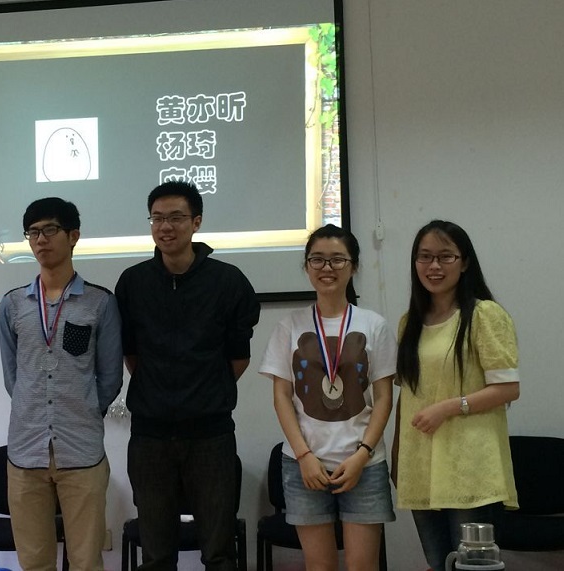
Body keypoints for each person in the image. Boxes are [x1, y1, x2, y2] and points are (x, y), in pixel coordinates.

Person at [114, 180, 260, 571]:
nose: (166, 227)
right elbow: (132, 354)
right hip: (150, 437)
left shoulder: (227, 281)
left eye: (176, 217)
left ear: (196, 222)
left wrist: (203, 391)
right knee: (156, 554)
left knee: (218, 553)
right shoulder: (133, 282)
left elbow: (238, 358)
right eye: (157, 218)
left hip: (210, 435)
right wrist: (162, 391)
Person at [259, 224, 395, 571]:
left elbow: (383, 398)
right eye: (317, 259)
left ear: (354, 266)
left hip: (364, 463)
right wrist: (304, 456)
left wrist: (363, 455)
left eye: (337, 259)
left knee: (362, 567)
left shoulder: (374, 325)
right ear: (307, 267)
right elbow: (281, 396)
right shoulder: (289, 326)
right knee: (319, 567)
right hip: (304, 464)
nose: (327, 268)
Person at [0, 197, 123, 571]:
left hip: (81, 450)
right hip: (26, 451)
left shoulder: (100, 303)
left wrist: (83, 410)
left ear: (73, 236)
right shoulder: (13, 304)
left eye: (50, 229)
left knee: (85, 561)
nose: (41, 239)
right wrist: (33, 406)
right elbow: (12, 377)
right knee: (34, 561)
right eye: (33, 232)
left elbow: (110, 377)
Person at [393, 220, 519, 571]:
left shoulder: (484, 315)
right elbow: (407, 395)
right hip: (421, 464)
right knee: (438, 563)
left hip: (469, 466)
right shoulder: (409, 322)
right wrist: (398, 455)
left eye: (445, 256)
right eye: (425, 257)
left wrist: (448, 407)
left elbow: (508, 389)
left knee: (472, 566)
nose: (434, 266)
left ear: (464, 263)